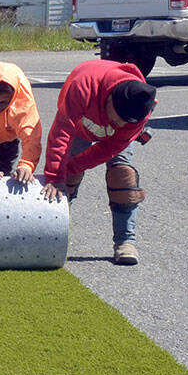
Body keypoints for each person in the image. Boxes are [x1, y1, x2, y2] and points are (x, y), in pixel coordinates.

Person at [43, 59, 157, 266]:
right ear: (111, 99)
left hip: (111, 140)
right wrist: (56, 175)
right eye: (120, 117)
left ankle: (125, 242)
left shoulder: (139, 109)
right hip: (79, 128)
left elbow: (110, 148)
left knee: (122, 176)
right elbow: (61, 132)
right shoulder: (83, 85)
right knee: (62, 181)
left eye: (128, 122)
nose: (121, 124)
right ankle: (53, 236)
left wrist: (75, 166)